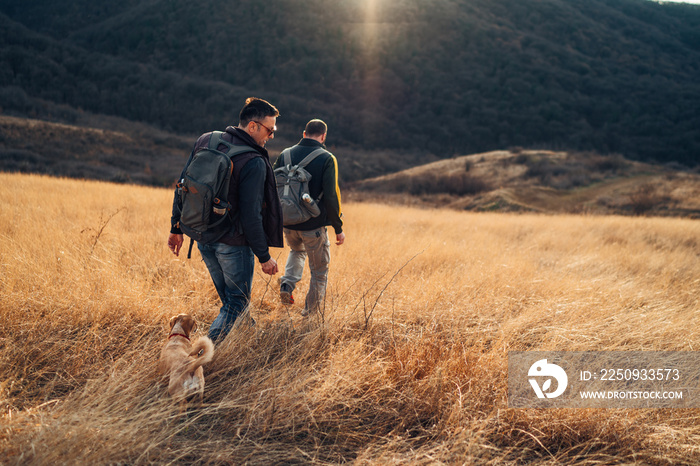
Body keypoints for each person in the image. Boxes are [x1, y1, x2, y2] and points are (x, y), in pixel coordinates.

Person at [167, 97, 283, 343]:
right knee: (236, 302)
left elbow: (182, 186)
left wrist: (176, 227)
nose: (271, 136)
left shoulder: (206, 140)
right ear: (252, 126)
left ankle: (251, 340)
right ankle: (203, 354)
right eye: (269, 130)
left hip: (202, 237)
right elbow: (252, 215)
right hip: (233, 244)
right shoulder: (253, 160)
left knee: (232, 301)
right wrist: (264, 256)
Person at [273, 119, 345, 316]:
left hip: (287, 222)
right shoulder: (327, 158)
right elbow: (331, 195)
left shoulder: (284, 154)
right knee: (319, 273)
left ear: (304, 133)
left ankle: (287, 284)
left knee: (297, 250)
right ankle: (310, 315)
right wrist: (338, 228)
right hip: (313, 226)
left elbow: (271, 187)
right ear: (323, 136)